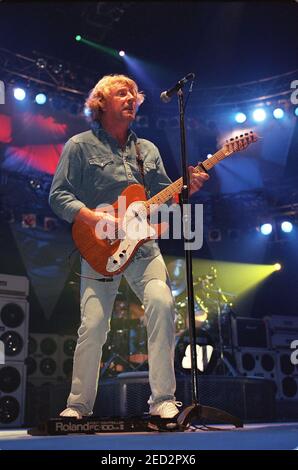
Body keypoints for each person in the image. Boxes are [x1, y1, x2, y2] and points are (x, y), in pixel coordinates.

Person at [49, 74, 209, 420]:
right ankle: (78, 405)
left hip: (144, 249)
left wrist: (188, 189)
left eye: (133, 95)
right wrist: (96, 220)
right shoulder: (79, 145)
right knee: (93, 326)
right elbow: (58, 196)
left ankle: (163, 400)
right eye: (121, 93)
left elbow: (167, 196)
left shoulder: (146, 150)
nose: (130, 99)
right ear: (101, 102)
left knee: (163, 303)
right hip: (100, 247)